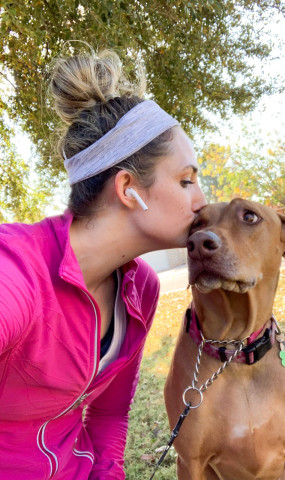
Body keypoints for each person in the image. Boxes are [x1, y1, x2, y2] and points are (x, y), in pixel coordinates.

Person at [0, 48, 206, 479]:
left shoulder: (141, 289)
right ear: (129, 188)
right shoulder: (16, 272)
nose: (201, 201)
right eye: (186, 180)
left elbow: (109, 416)